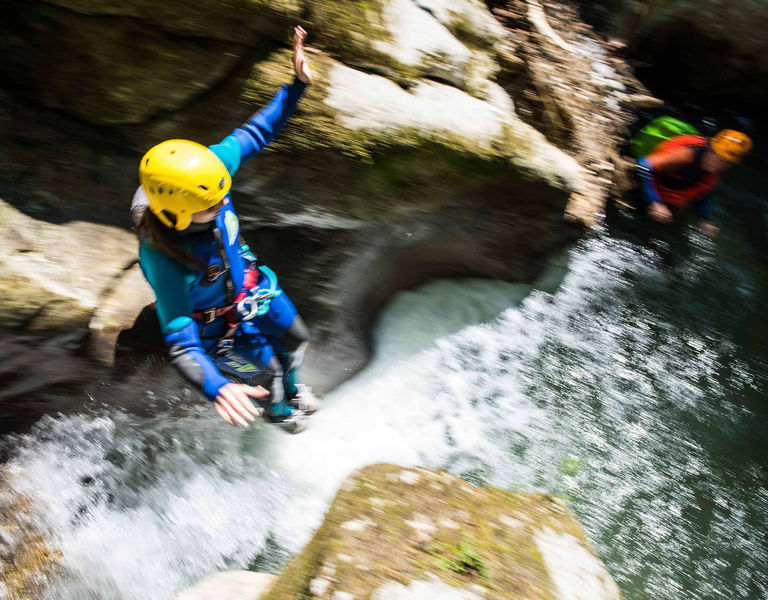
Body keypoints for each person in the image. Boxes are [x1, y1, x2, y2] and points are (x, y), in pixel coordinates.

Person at [131, 26, 317, 433]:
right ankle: (280, 413)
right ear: (177, 214)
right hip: (214, 325)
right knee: (265, 371)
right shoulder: (163, 257)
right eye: (210, 206)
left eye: (221, 196)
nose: (222, 204)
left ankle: (294, 389)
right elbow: (182, 344)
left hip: (251, 287)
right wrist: (216, 387)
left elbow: (255, 133)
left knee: (297, 339)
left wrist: (296, 86)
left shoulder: (208, 174)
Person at [635, 129, 753, 237]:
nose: (720, 165)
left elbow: (705, 190)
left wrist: (705, 219)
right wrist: (654, 201)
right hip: (648, 188)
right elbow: (643, 165)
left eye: (727, 163)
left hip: (671, 195)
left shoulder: (716, 170)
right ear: (710, 149)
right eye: (719, 158)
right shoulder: (686, 154)